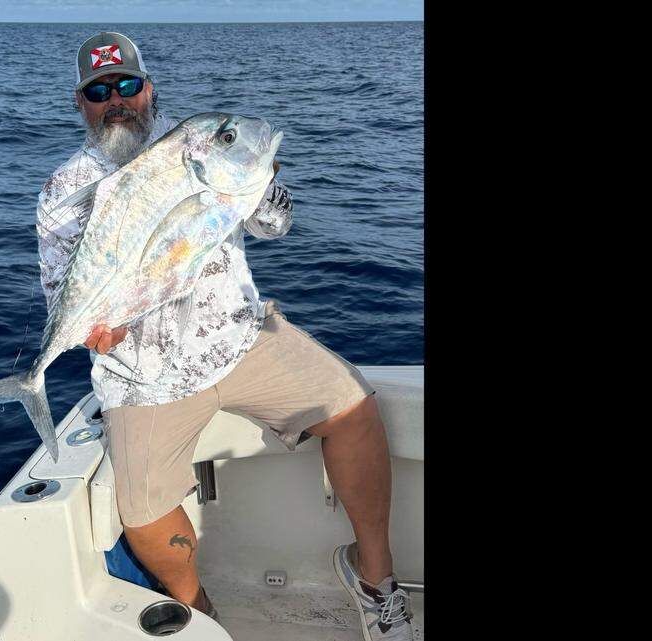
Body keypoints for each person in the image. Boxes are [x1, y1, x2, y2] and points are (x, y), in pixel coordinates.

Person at [35, 31, 421, 641]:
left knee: (353, 409)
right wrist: (91, 333)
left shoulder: (196, 149)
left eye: (127, 86)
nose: (116, 101)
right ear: (78, 103)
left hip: (240, 337)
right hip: (142, 374)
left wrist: (254, 178)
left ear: (149, 90)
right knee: (140, 512)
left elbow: (277, 225)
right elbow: (63, 290)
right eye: (99, 91)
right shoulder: (64, 190)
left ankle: (378, 583)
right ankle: (200, 614)